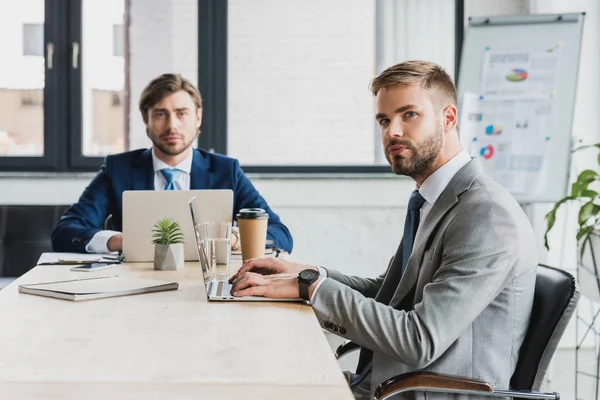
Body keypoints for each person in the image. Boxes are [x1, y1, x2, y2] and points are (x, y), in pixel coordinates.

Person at [229, 60, 537, 399]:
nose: (392, 131)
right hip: (385, 383)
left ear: (448, 119)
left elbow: (419, 339)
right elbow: (390, 292)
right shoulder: (433, 200)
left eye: (409, 115)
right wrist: (308, 273)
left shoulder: (486, 214)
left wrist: (311, 289)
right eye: (384, 120)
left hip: (417, 392)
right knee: (255, 375)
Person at [52, 73, 293, 255]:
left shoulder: (225, 171)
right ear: (146, 120)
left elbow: (280, 234)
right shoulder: (119, 170)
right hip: (134, 285)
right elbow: (66, 232)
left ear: (198, 118)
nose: (172, 126)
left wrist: (234, 239)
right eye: (160, 114)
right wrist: (120, 240)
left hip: (206, 285)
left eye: (181, 113)